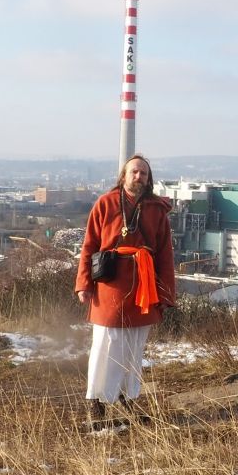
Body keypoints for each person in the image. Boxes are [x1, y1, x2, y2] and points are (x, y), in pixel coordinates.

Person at [74, 154, 177, 429]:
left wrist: (166, 294)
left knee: (134, 347)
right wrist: (83, 283)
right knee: (105, 345)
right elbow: (89, 246)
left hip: (144, 286)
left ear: (149, 178)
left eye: (143, 173)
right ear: (123, 175)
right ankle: (95, 404)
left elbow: (165, 254)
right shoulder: (106, 203)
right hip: (110, 286)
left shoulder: (157, 210)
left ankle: (128, 400)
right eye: (134, 172)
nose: (138, 177)